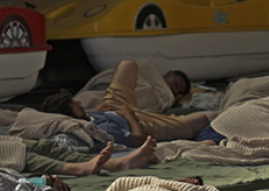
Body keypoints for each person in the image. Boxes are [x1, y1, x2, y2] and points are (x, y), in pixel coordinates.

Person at [40, 59, 213, 145]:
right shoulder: (97, 131)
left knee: (127, 65)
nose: (79, 104)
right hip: (138, 123)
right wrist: (129, 116)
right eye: (75, 106)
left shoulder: (84, 117)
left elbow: (87, 113)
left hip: (115, 106)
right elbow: (139, 138)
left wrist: (96, 112)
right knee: (202, 120)